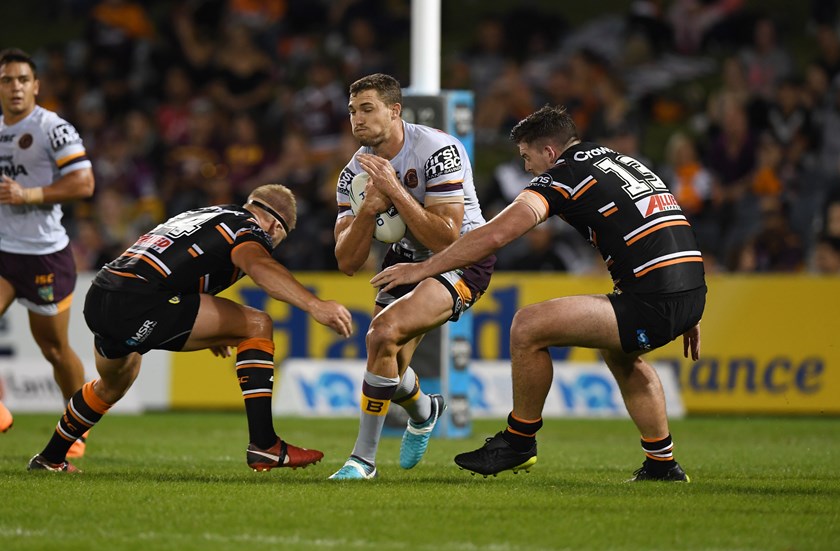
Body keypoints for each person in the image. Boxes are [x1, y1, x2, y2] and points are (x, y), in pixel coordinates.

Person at [372, 105, 706, 482]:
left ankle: (519, 442)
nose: (527, 170)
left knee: (528, 326)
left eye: (527, 158)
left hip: (657, 296)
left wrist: (423, 268)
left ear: (549, 152)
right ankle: (662, 466)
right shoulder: (615, 159)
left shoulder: (565, 174)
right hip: (687, 286)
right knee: (621, 355)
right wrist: (686, 299)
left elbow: (496, 235)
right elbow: (667, 217)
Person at [27, 184, 353, 472]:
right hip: (141, 301)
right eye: (278, 237)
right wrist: (315, 305)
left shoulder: (205, 213)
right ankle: (265, 445)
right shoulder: (250, 227)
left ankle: (50, 457)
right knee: (258, 324)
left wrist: (212, 328)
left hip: (101, 294)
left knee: (113, 383)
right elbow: (259, 265)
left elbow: (183, 264)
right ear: (273, 224)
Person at [329, 73, 496, 479]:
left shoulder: (437, 149)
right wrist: (368, 209)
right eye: (353, 111)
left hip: (462, 256)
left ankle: (362, 460)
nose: (358, 119)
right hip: (405, 257)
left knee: (381, 334)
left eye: (368, 109)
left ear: (395, 110)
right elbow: (347, 261)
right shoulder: (353, 174)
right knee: (389, 361)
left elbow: (446, 236)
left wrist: (394, 188)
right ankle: (424, 409)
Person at [0, 48, 95, 457]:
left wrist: (29, 194)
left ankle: (76, 427)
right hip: (4, 250)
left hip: (44, 256)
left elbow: (84, 183)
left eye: (23, 79)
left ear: (36, 86)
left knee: (54, 349)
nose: (15, 87)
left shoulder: (52, 128)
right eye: (7, 80)